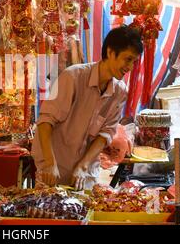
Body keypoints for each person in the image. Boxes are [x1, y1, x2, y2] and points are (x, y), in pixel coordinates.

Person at [32, 25, 143, 190]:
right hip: (54, 165)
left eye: (134, 61)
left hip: (85, 172)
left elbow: (105, 133)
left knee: (84, 212)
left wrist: (83, 166)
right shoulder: (73, 77)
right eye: (128, 59)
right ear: (111, 52)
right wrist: (49, 163)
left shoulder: (120, 92)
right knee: (49, 211)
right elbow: (45, 120)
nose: (130, 67)